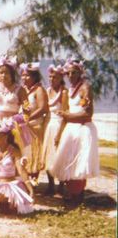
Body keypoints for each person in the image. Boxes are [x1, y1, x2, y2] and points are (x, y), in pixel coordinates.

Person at [50, 59, 99, 205]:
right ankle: (73, 194)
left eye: (74, 72)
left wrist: (67, 115)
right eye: (68, 73)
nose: (71, 75)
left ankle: (78, 196)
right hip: (70, 129)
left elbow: (88, 114)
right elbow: (65, 113)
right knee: (67, 163)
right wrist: (59, 134)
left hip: (83, 129)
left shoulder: (85, 88)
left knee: (79, 163)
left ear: (80, 73)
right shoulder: (68, 91)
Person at [41, 64, 68, 195]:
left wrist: (60, 132)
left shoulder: (63, 92)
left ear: (60, 78)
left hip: (58, 124)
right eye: (50, 77)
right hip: (48, 124)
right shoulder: (47, 91)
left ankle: (61, 185)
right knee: (47, 155)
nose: (52, 79)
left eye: (55, 77)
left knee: (59, 155)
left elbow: (65, 113)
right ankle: (50, 184)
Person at [22, 62, 49, 184]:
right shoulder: (23, 90)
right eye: (22, 75)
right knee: (25, 155)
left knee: (34, 154)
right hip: (24, 127)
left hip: (35, 126)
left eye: (27, 75)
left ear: (34, 77)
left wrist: (29, 118)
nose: (24, 78)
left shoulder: (39, 90)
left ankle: (33, 181)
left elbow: (43, 108)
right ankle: (26, 181)